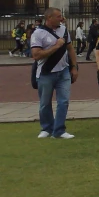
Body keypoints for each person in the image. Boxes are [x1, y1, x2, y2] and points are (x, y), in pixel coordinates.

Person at [30, 8, 78, 139]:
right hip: (46, 73)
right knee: (45, 103)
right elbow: (36, 55)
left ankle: (59, 130)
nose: (61, 18)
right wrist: (56, 46)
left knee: (63, 101)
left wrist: (74, 67)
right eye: (58, 16)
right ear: (49, 18)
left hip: (63, 72)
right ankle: (46, 128)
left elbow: (70, 48)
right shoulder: (38, 34)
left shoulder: (63, 30)